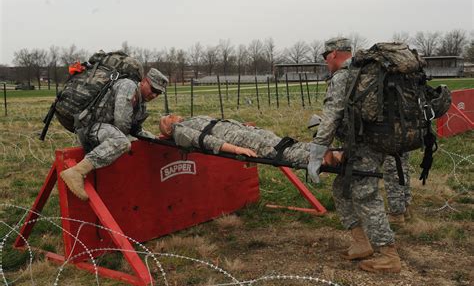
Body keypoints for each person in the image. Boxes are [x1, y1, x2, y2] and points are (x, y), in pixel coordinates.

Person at [307, 37, 401, 273]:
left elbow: (331, 116)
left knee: (366, 195)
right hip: (370, 142)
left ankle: (388, 255)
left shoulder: (344, 76)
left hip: (366, 145)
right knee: (342, 189)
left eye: (327, 56)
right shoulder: (364, 72)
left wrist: (316, 153)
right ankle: (361, 243)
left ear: (336, 53)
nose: (326, 62)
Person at [60, 67, 169, 201]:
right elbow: (121, 123)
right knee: (122, 141)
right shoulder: (128, 86)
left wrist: (155, 139)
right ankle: (77, 172)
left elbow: (136, 130)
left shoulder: (141, 103)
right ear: (144, 81)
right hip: (90, 126)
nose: (154, 95)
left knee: (126, 139)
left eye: (158, 93)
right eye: (153, 90)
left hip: (104, 127)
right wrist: (131, 136)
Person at [158, 114, 342, 167]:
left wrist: (244, 125)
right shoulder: (180, 129)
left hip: (244, 132)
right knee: (282, 149)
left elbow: (218, 125)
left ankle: (330, 154)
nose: (171, 116)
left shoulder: (192, 119)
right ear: (168, 128)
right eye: (168, 119)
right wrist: (237, 150)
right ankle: (329, 156)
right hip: (240, 138)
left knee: (285, 146)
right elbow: (206, 140)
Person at [383, 153, 412, 225]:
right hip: (404, 143)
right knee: (402, 166)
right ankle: (404, 208)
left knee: (392, 169)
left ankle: (396, 214)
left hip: (393, 144)